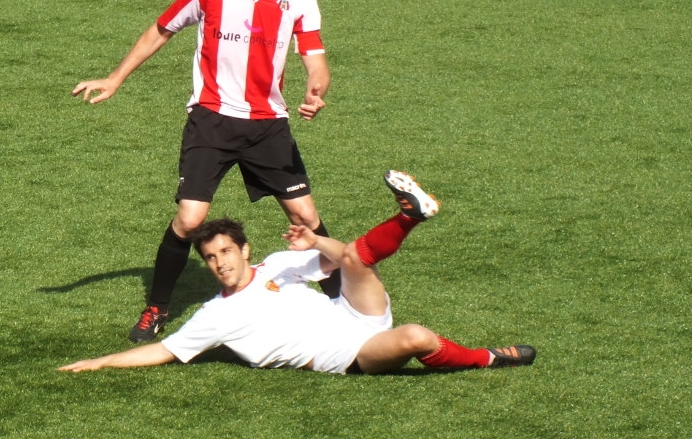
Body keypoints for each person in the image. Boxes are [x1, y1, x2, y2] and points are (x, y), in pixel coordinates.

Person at [72, 0, 340, 343]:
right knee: (190, 219)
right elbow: (161, 30)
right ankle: (157, 308)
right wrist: (115, 77)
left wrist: (316, 90)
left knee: (305, 215)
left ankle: (342, 304)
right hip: (211, 121)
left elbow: (315, 58)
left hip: (268, 125)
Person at [59, 171, 536, 375]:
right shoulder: (214, 316)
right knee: (415, 336)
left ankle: (411, 215)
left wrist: (313, 241)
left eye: (226, 252)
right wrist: (99, 362)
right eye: (211, 258)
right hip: (350, 353)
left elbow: (345, 256)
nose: (221, 263)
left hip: (355, 313)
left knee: (354, 258)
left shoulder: (278, 265)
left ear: (244, 250)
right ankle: (487, 358)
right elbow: (164, 351)